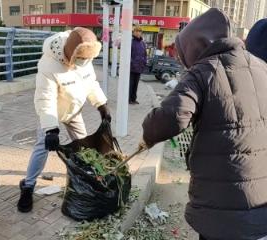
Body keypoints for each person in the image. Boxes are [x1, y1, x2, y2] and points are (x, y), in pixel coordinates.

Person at [141, 8, 267, 240]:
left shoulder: (202, 71)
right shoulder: (262, 68)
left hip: (219, 208)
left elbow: (170, 118)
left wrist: (147, 136)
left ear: (193, 46)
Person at [17, 27, 111, 213]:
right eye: (81, 59)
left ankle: (85, 179)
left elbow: (90, 82)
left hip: (74, 110)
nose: (84, 62)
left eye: (87, 60)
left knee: (84, 145)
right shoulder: (49, 65)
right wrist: (51, 129)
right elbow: (46, 99)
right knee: (41, 147)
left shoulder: (86, 56)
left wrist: (101, 104)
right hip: (52, 112)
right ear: (70, 52)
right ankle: (27, 186)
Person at [129, 25, 147, 104]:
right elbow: (128, 55)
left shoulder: (142, 43)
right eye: (136, 31)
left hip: (139, 67)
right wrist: (131, 62)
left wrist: (144, 62)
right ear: (134, 32)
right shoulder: (131, 42)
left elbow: (145, 54)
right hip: (132, 67)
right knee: (130, 84)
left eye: (139, 31)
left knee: (136, 85)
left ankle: (133, 99)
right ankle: (129, 99)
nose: (138, 33)